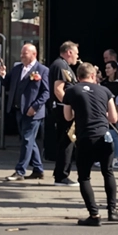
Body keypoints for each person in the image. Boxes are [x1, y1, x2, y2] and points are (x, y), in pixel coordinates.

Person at [64, 63, 118, 226]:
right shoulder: (105, 91)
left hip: (85, 138)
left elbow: (67, 117)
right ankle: (112, 211)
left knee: (84, 176)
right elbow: (114, 118)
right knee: (108, 172)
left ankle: (94, 215)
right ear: (92, 75)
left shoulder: (71, 91)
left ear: (78, 76)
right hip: (104, 136)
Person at [0, 44, 49, 182]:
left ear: (34, 54)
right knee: (29, 140)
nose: (21, 56)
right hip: (18, 110)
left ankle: (20, 171)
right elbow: (7, 84)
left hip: (33, 112)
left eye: (24, 53)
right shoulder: (17, 69)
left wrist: (35, 106)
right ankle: (38, 169)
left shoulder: (42, 70)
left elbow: (46, 92)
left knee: (27, 140)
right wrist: (3, 75)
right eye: (21, 53)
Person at [49, 41, 80, 186]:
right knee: (67, 141)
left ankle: (60, 172)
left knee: (65, 141)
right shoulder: (61, 65)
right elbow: (58, 89)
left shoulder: (63, 65)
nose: (77, 57)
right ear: (69, 52)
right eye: (76, 53)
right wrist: (71, 107)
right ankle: (62, 176)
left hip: (63, 108)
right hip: (63, 109)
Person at [102, 50, 118, 169]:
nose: (106, 69)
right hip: (105, 108)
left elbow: (112, 92)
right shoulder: (105, 82)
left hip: (115, 107)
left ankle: (117, 157)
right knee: (106, 133)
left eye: (109, 67)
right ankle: (106, 157)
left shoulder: (116, 82)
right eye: (105, 67)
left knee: (115, 133)